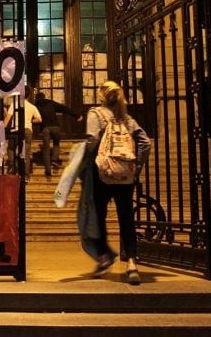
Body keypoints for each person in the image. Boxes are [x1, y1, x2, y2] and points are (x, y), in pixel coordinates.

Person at [77, 80, 150, 285]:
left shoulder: (96, 114)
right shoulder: (126, 118)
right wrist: (136, 166)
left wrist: (81, 164)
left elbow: (91, 141)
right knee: (126, 217)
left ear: (101, 96)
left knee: (97, 216)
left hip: (102, 174)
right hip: (125, 175)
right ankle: (132, 263)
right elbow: (145, 141)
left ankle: (103, 256)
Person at [34, 92, 83, 177]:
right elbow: (64, 108)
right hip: (56, 127)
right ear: (44, 97)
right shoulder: (50, 103)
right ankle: (54, 159)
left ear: (36, 98)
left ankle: (48, 171)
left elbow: (34, 119)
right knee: (56, 144)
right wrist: (77, 115)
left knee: (46, 149)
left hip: (45, 128)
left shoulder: (36, 106)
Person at [4, 85, 42, 179]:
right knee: (26, 153)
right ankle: (26, 175)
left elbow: (7, 119)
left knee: (11, 148)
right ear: (28, 95)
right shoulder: (32, 106)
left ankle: (12, 165)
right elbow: (39, 119)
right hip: (27, 130)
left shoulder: (14, 104)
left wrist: (2, 129)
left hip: (15, 131)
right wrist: (30, 121)